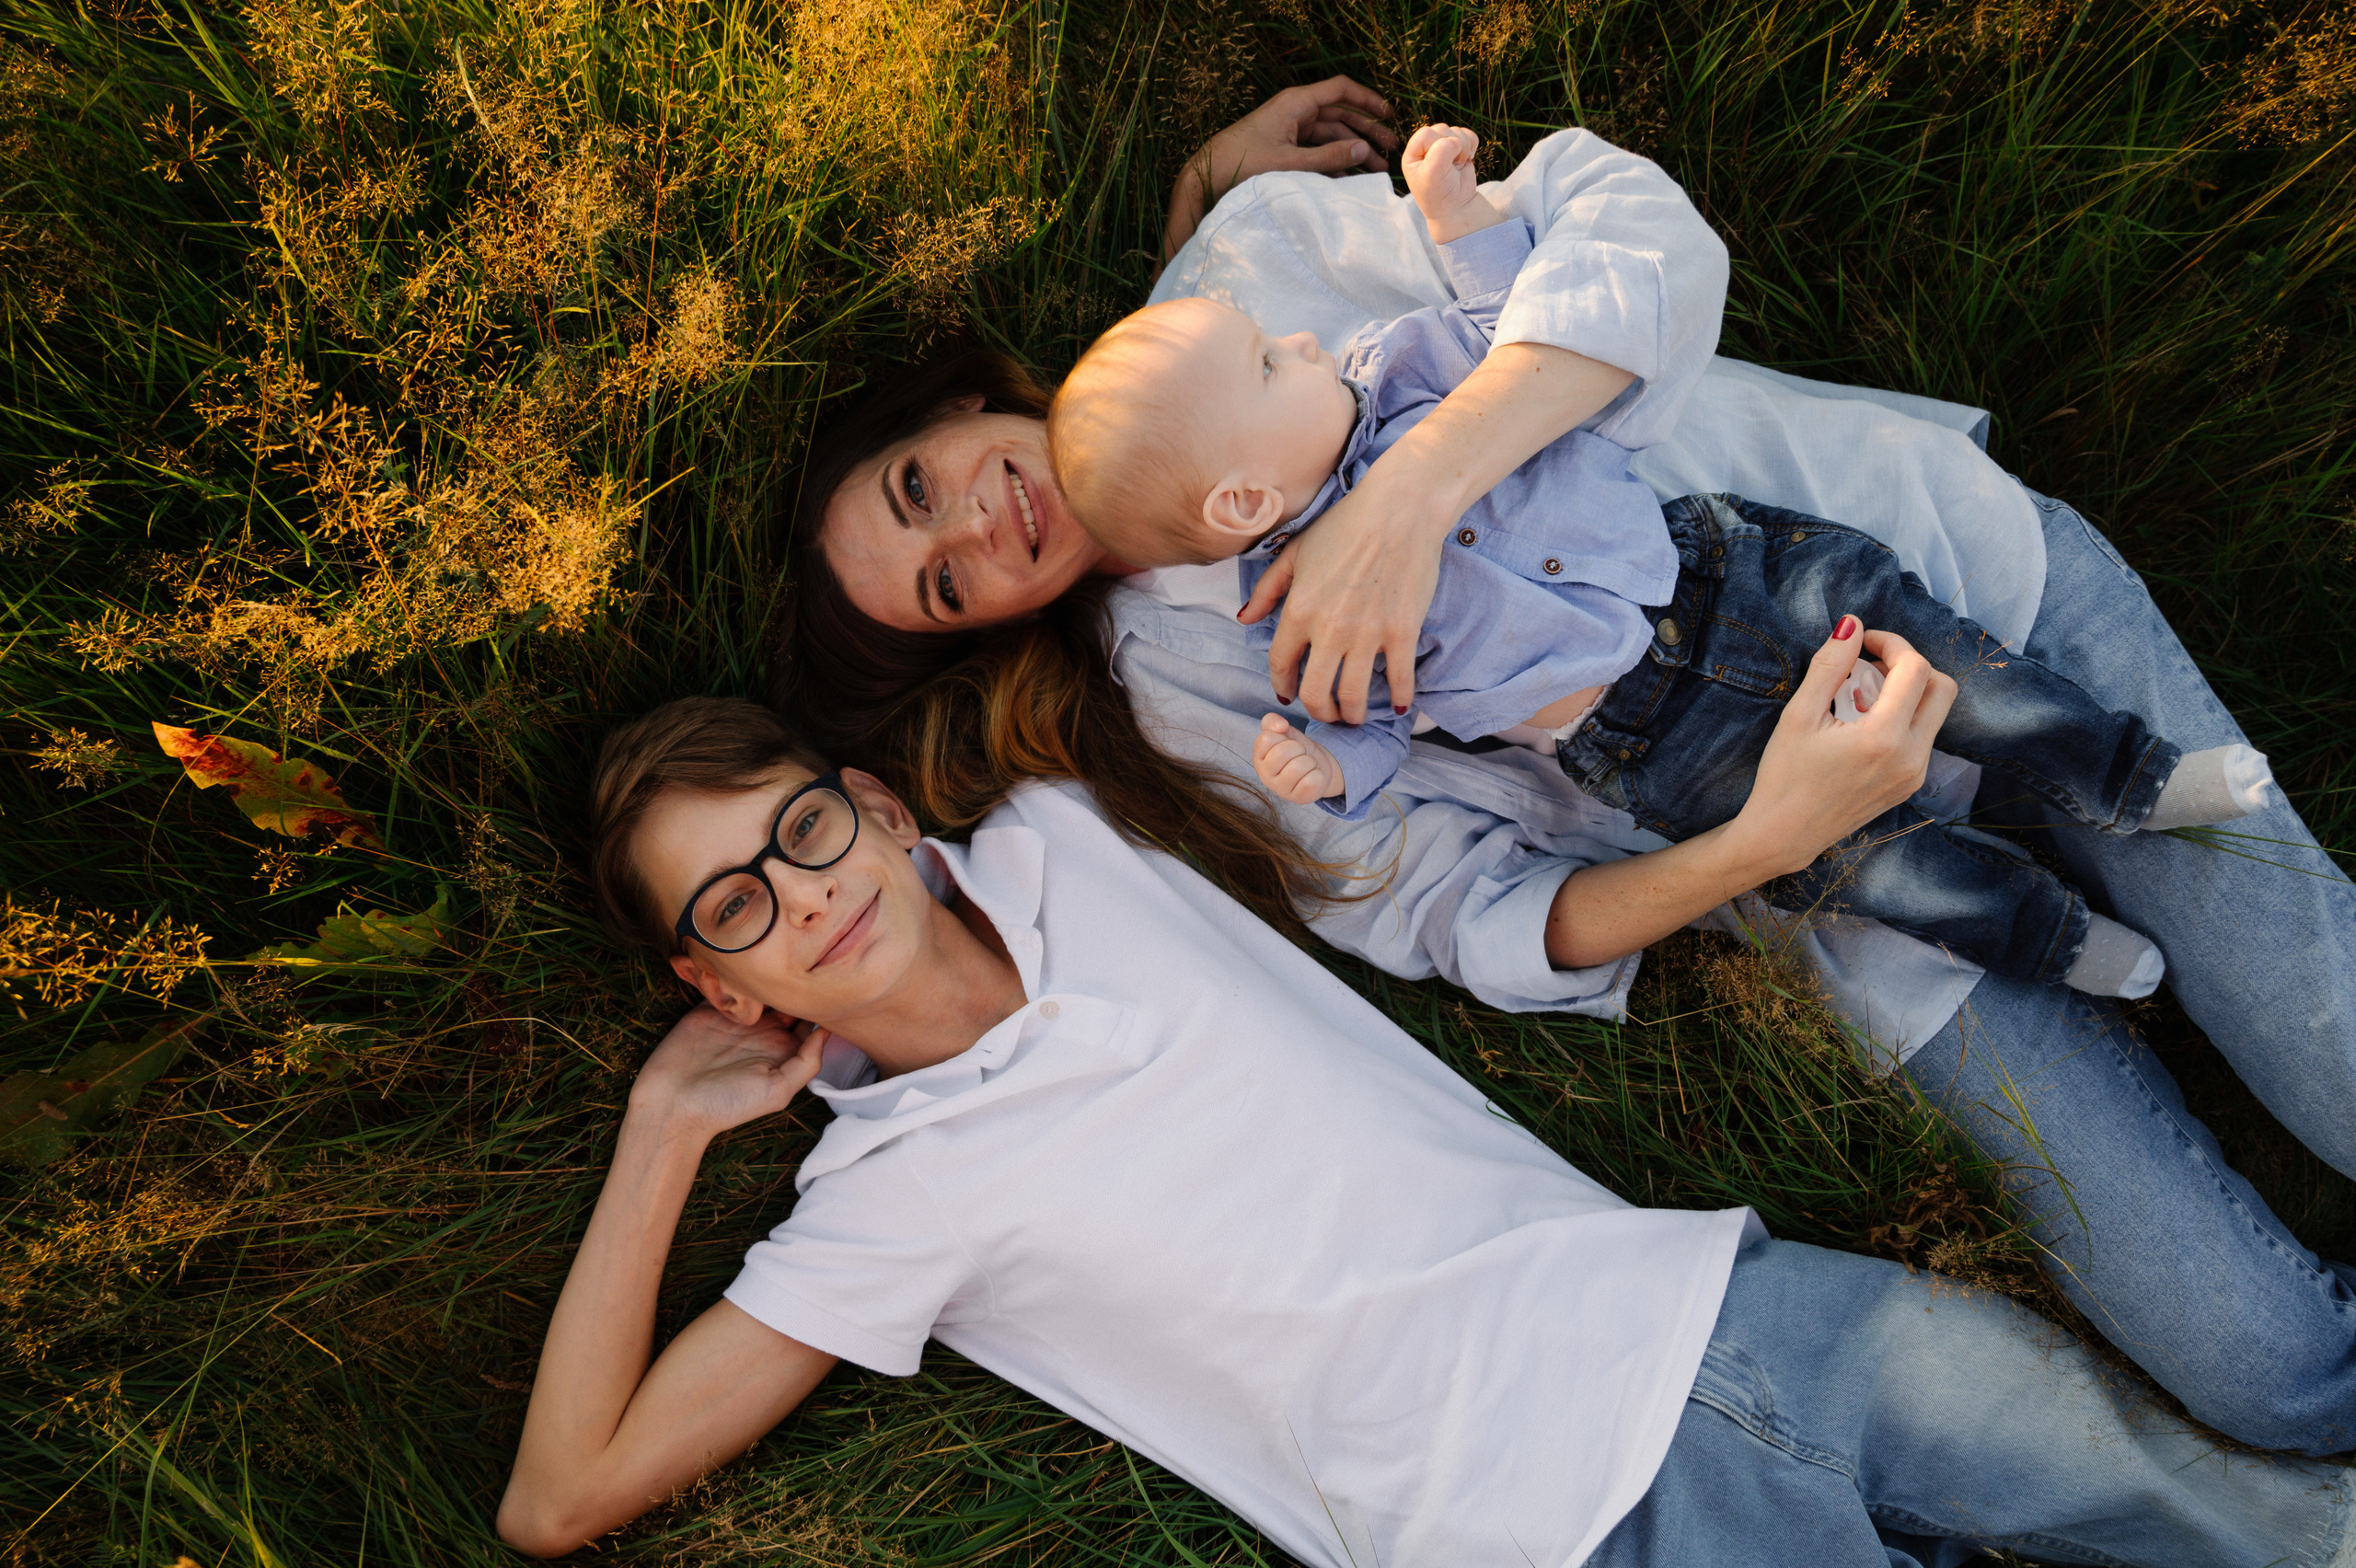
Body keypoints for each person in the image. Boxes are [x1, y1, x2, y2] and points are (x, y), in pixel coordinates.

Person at [776, 81, 2356, 1456]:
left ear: (962, 405)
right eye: (941, 581)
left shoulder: (1247, 268)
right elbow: (1457, 917)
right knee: (2270, 1373)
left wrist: (1413, 498)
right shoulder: (1181, 703)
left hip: (1943, 586)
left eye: (922, 485)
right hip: (1822, 868)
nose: (975, 528)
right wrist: (1761, 846)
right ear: (976, 632)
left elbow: (1635, 236)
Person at [495, 694, 2356, 1565]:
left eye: (795, 832)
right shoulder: (878, 1205)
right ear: (723, 990)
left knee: (2272, 1532)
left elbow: (1107, 512)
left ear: (881, 812)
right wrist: (659, 1142)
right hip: (1551, 1536)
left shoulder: (1070, 831)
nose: (794, 896)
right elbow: (560, 1496)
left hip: (1719, 1314)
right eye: (728, 908)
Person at [1046, 121, 2270, 1000]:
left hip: (1722, 574)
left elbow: (1507, 317)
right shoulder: (1294, 623)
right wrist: (1327, 762)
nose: (1302, 341)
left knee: (1949, 659)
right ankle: (2053, 941)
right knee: (1865, 869)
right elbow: (1381, 723)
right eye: (1268, 364)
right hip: (1648, 742)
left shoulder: (1404, 372)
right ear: (1245, 497)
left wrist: (1459, 221)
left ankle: (2132, 776)